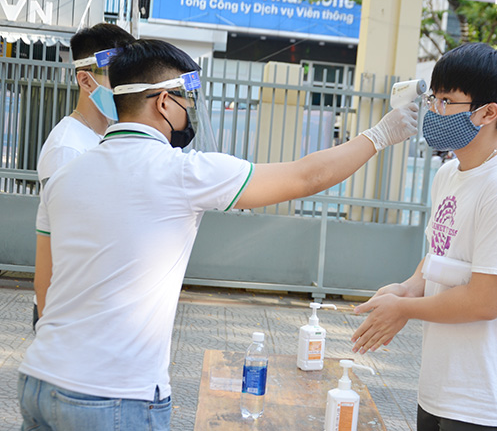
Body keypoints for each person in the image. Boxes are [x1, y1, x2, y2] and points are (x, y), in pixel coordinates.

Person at [17, 39, 418, 430]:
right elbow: (306, 176)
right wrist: (379, 136)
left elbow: (44, 285)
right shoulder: (181, 172)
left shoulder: (65, 176)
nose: (190, 110)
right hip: (113, 395)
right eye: (187, 100)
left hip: (39, 377)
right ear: (163, 101)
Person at [351, 43, 497, 430]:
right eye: (433, 98)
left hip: (486, 398)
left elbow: (485, 301)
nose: (434, 109)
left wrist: (404, 310)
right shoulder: (450, 173)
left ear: (488, 113)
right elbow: (439, 254)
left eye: (447, 100)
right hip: (442, 386)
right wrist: (408, 288)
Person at [31, 23, 135, 328]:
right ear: (85, 80)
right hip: (68, 314)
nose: (126, 86)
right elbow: (57, 251)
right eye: (117, 77)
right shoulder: (67, 148)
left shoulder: (108, 137)